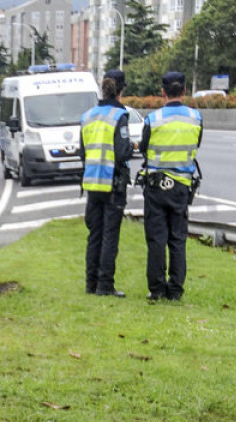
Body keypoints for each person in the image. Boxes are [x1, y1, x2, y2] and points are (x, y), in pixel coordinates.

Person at [138, 71, 203, 301]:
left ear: (162, 92)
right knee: (177, 239)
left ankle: (156, 289)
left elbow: (143, 149)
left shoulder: (152, 119)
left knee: (156, 239)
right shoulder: (196, 118)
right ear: (184, 91)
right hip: (181, 187)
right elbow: (196, 146)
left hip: (156, 187)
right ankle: (175, 290)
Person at [80, 69, 133, 297]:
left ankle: (91, 284)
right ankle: (105, 285)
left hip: (92, 183)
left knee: (94, 235)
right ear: (121, 90)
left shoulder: (88, 115)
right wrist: (134, 148)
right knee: (110, 235)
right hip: (113, 183)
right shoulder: (118, 117)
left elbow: (83, 152)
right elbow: (122, 153)